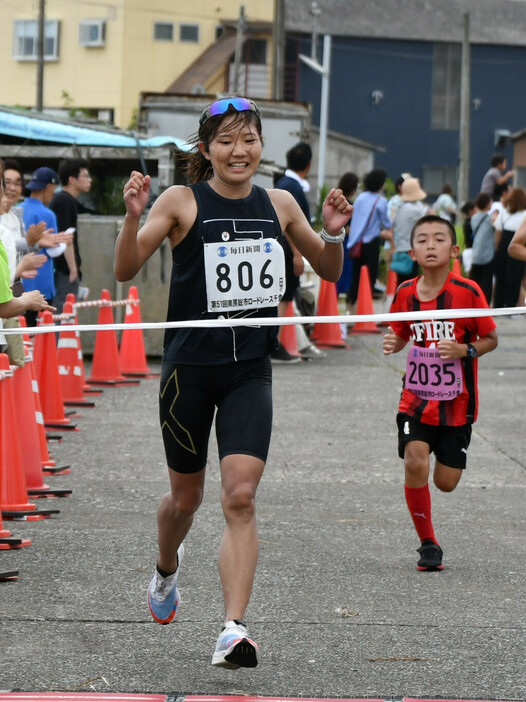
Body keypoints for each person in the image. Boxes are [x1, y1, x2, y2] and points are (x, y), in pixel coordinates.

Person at [113, 97, 351, 669]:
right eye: (225, 141)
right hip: (189, 372)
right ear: (206, 149)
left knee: (240, 496)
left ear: (261, 146)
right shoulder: (180, 201)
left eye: (248, 139)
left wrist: (333, 232)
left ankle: (233, 628)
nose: (238, 151)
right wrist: (130, 216)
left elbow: (328, 269)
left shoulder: (281, 203)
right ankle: (167, 567)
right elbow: (125, 269)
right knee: (185, 499)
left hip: (250, 371)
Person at [383, 214, 498, 572]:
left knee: (445, 483)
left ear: (455, 249)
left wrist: (465, 351)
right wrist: (394, 341)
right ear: (412, 251)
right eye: (422, 240)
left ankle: (446, 465)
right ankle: (428, 544)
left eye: (438, 239)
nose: (430, 245)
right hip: (415, 399)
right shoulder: (404, 293)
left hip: (457, 405)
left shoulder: (469, 292)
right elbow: (401, 333)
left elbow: (491, 338)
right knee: (414, 459)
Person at [273, 142, 325, 361]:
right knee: (283, 297)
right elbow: (290, 226)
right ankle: (271, 342)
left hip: (278, 248)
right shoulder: (293, 188)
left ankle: (277, 342)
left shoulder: (283, 183)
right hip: (287, 249)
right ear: (309, 164)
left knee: (284, 297)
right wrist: (297, 254)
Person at [0, 161, 55, 350]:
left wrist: (34, 243)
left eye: (17, 183)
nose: (10, 188)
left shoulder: (16, 214)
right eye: (5, 182)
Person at [20, 167, 72, 326]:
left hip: (18, 279)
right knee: (39, 329)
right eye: (53, 190)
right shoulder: (47, 215)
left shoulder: (17, 209)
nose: (53, 194)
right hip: (41, 279)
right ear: (48, 187)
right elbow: (53, 250)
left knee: (20, 326)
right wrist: (64, 242)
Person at [345, 168, 393, 311]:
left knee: (356, 277)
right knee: (370, 276)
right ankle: (365, 309)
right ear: (380, 183)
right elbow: (387, 223)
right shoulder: (381, 201)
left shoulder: (360, 198)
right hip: (371, 242)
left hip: (356, 242)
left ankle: (349, 308)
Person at [49, 158, 92, 313]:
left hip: (60, 270)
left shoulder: (64, 199)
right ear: (72, 179)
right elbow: (66, 237)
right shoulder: (65, 201)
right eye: (85, 176)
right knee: (62, 314)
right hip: (63, 271)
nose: (89, 180)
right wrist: (73, 270)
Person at [492, 186, 526, 308]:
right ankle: (511, 305)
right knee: (515, 279)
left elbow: (498, 233)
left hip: (503, 247)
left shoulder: (504, 212)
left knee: (500, 278)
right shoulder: (525, 215)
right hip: (519, 248)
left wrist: (498, 248)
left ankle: (498, 305)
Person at [391, 177, 427, 285]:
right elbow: (426, 221)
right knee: (411, 283)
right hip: (410, 250)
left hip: (399, 249)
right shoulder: (415, 210)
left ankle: (400, 301)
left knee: (401, 283)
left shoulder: (399, 207)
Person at [469, 192, 495, 304]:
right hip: (487, 254)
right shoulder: (490, 219)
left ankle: (472, 303)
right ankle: (484, 304)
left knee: (475, 281)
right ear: (488, 203)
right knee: (486, 282)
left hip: (476, 253)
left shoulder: (474, 218)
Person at [336, 171, 359, 297]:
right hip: (347, 241)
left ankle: (335, 291)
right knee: (344, 268)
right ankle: (341, 290)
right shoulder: (350, 204)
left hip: (336, 239)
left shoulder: (338, 201)